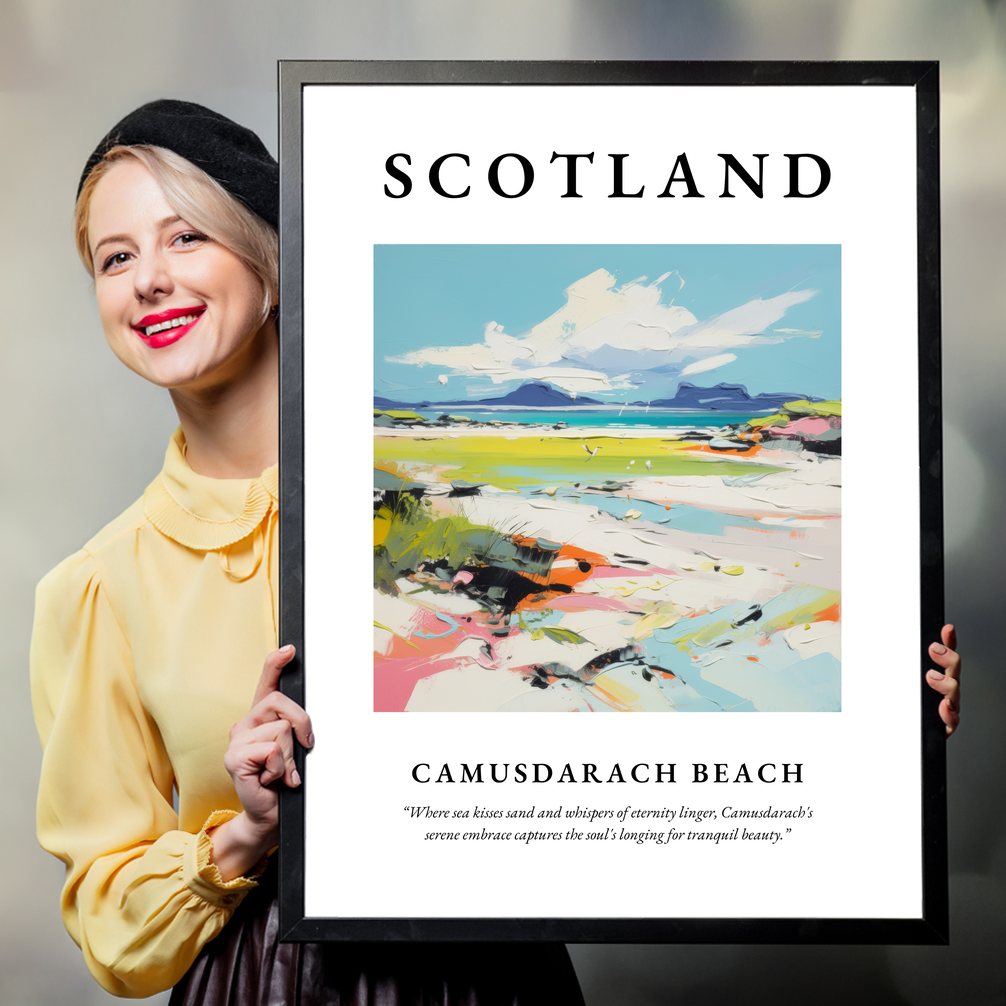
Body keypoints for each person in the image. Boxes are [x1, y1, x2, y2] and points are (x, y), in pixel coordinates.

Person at [30, 100, 586, 1004]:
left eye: (185, 239)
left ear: (273, 263)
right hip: (262, 981)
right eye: (116, 257)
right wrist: (245, 832)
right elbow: (110, 924)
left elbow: (623, 696)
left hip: (492, 974)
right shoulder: (97, 587)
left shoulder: (448, 503)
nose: (148, 281)